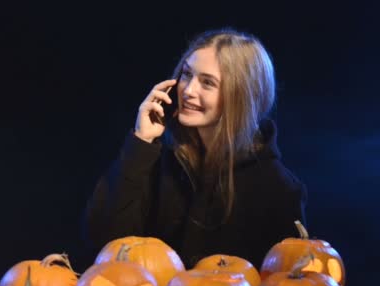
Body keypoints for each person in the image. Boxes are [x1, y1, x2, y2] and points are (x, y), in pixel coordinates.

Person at [82, 28, 307, 269]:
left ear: (240, 96)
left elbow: (285, 283)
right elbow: (103, 245)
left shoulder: (277, 187)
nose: (188, 91)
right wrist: (140, 143)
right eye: (187, 74)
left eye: (207, 83)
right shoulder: (157, 157)